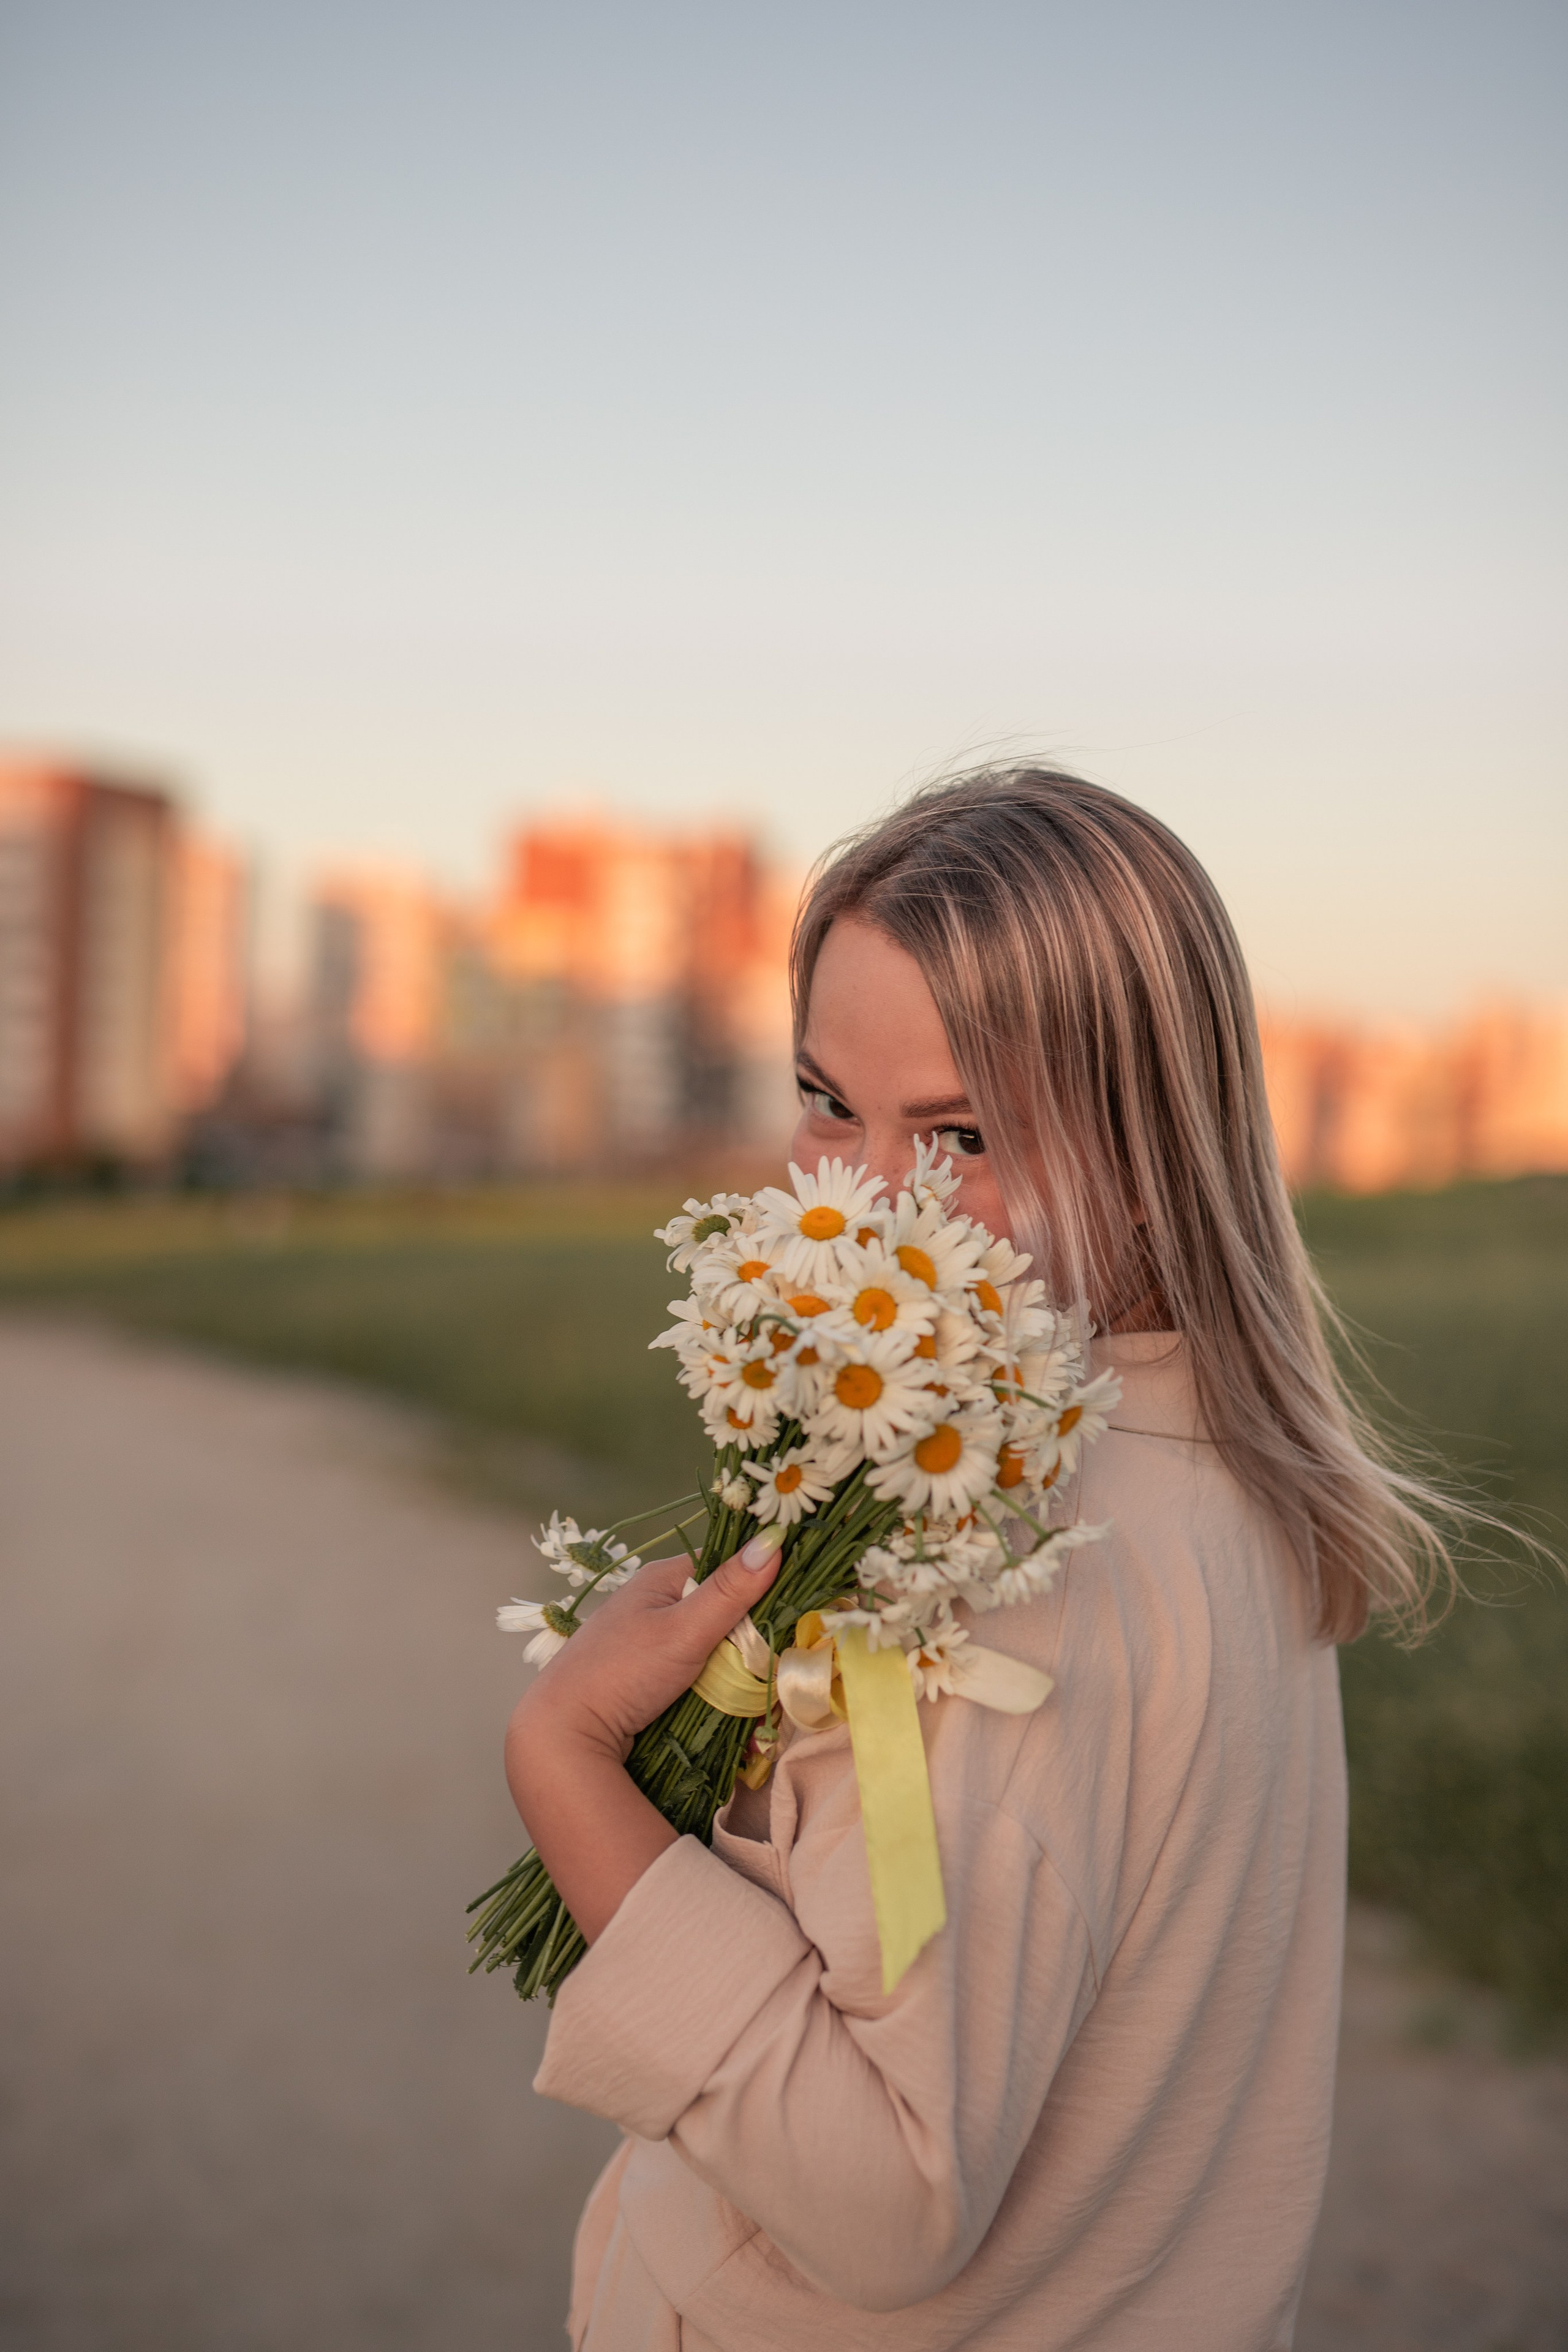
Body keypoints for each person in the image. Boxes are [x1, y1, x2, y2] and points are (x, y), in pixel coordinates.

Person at [505, 767, 1453, 2351]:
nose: (864, 1209)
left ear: (1155, 1150)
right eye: (828, 1103)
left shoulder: (1016, 1558)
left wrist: (570, 1763)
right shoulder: (1220, 1480)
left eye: (962, 1135)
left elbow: (888, 2200)